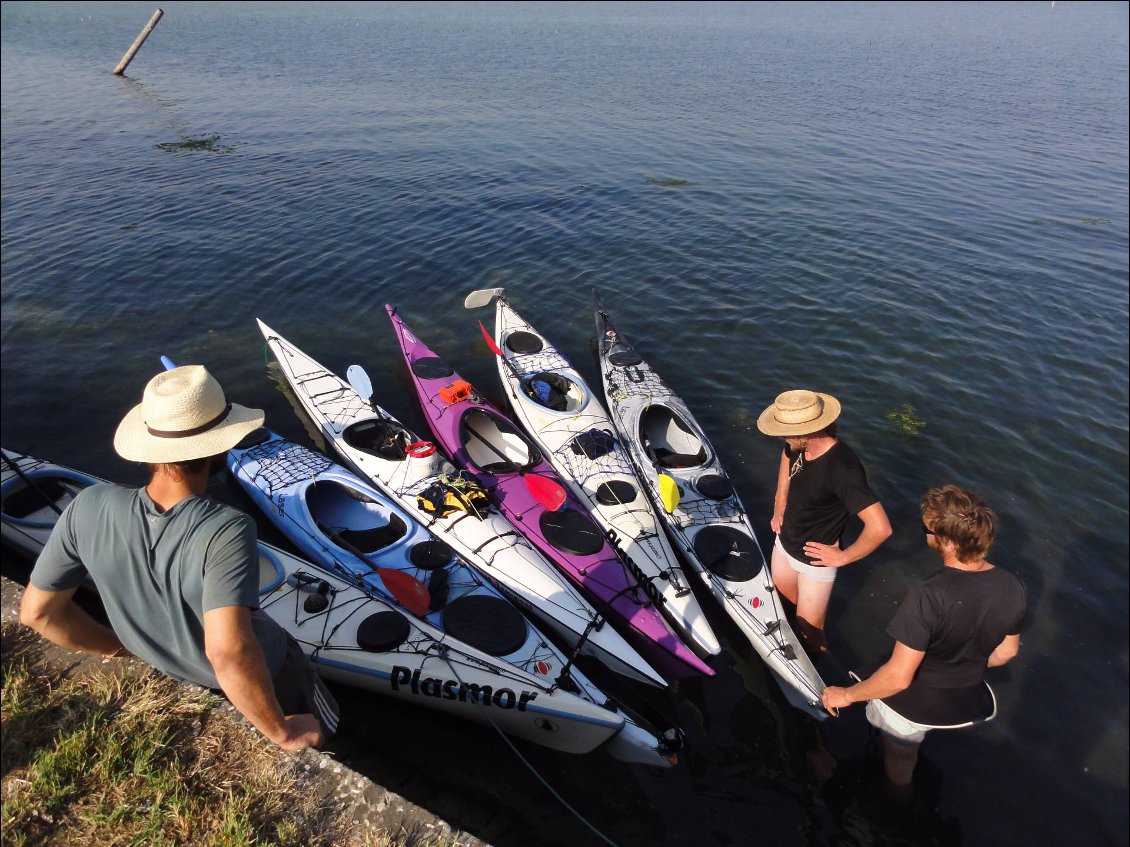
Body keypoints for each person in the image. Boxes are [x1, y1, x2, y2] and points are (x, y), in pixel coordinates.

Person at [19, 364, 338, 752]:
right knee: (324, 730)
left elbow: (37, 613)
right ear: (218, 445)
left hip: (171, 671)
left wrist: (117, 647)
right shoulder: (227, 528)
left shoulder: (86, 505)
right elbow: (228, 650)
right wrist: (281, 732)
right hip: (269, 678)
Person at [821, 485, 1025, 793]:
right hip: (963, 700)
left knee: (900, 760)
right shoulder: (1012, 585)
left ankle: (896, 810)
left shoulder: (929, 594)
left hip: (915, 706)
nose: (925, 534)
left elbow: (898, 679)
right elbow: (1006, 653)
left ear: (948, 542)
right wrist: (961, 662)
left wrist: (845, 695)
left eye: (927, 529)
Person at [757, 389, 892, 653]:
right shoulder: (796, 446)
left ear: (805, 432)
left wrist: (844, 557)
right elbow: (786, 459)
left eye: (785, 431)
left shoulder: (843, 470)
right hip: (784, 545)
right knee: (783, 605)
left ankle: (818, 672)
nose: (782, 437)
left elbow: (881, 528)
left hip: (815, 564)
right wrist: (779, 505)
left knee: (810, 630)